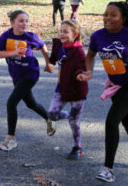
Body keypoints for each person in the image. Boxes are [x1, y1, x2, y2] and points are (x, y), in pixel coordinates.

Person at [77, 1, 128, 183]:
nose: (108, 18)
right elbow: (90, 54)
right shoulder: (99, 36)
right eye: (106, 14)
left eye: (113, 15)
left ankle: (108, 169)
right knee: (127, 120)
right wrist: (89, 71)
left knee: (111, 121)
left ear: (123, 18)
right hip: (115, 84)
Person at [0, 10, 56, 152]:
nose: (24, 24)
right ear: (12, 23)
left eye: (26, 21)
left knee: (11, 103)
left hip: (30, 74)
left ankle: (11, 139)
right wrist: (13, 53)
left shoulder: (30, 36)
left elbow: (42, 46)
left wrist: (48, 63)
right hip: (16, 75)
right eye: (21, 21)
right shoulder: (6, 36)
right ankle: (49, 119)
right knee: (30, 103)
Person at [47, 19, 88, 160]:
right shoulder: (59, 45)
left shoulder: (79, 52)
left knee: (74, 123)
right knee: (52, 114)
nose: (62, 34)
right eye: (61, 31)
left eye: (66, 32)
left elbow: (83, 68)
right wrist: (49, 64)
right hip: (61, 88)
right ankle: (68, 115)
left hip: (77, 91)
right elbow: (53, 59)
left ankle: (77, 147)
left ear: (75, 34)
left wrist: (80, 75)